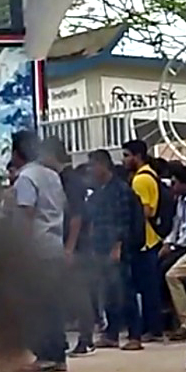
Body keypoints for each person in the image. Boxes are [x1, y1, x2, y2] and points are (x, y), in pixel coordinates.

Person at [12, 135, 70, 372]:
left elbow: (27, 213)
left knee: (39, 305)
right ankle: (57, 356)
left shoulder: (26, 177)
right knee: (52, 303)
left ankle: (46, 356)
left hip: (37, 248)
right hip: (54, 244)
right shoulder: (52, 175)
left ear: (17, 152)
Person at [71, 149, 132, 355]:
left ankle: (134, 335)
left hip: (115, 246)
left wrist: (118, 246)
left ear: (103, 165)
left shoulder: (120, 189)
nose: (91, 170)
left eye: (93, 165)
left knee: (123, 289)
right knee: (108, 291)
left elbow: (124, 220)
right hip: (99, 246)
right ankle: (111, 333)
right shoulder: (98, 191)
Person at [121, 139, 163, 348]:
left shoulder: (140, 180)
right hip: (150, 239)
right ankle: (152, 327)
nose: (125, 160)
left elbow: (146, 210)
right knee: (149, 287)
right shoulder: (150, 175)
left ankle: (151, 328)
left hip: (144, 240)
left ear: (137, 156)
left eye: (127, 155)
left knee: (147, 288)